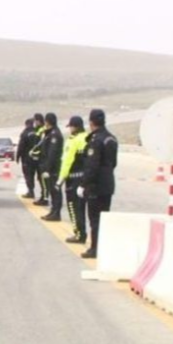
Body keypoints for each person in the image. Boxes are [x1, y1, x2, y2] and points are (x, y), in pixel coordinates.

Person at [79, 109, 118, 259]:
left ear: (91, 122)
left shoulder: (96, 140)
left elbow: (91, 166)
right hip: (108, 184)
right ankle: (101, 246)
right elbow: (113, 163)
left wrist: (83, 184)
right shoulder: (111, 138)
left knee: (95, 219)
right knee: (104, 217)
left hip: (95, 186)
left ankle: (95, 248)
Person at [56, 116, 87, 243]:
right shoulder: (87, 138)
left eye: (71, 127)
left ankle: (78, 233)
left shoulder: (73, 140)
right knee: (82, 208)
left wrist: (60, 179)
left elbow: (67, 162)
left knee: (73, 207)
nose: (70, 130)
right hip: (85, 178)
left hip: (73, 179)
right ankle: (82, 232)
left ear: (75, 127)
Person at [39, 113, 64, 222]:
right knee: (52, 191)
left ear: (47, 122)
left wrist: (47, 169)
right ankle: (53, 211)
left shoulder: (55, 135)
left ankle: (56, 212)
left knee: (55, 191)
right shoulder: (50, 133)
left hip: (54, 168)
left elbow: (52, 154)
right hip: (50, 167)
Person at [29, 113, 49, 206]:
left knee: (43, 180)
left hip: (41, 158)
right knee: (40, 178)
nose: (34, 122)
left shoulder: (42, 130)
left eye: (35, 120)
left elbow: (41, 145)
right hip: (38, 158)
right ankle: (43, 196)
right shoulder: (38, 130)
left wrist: (35, 154)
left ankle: (45, 198)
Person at [16, 118, 39, 199]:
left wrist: (18, 156)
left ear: (26, 124)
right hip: (37, 158)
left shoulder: (25, 133)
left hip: (26, 158)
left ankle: (31, 191)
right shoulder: (37, 132)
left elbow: (21, 146)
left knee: (28, 175)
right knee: (34, 174)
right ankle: (42, 193)